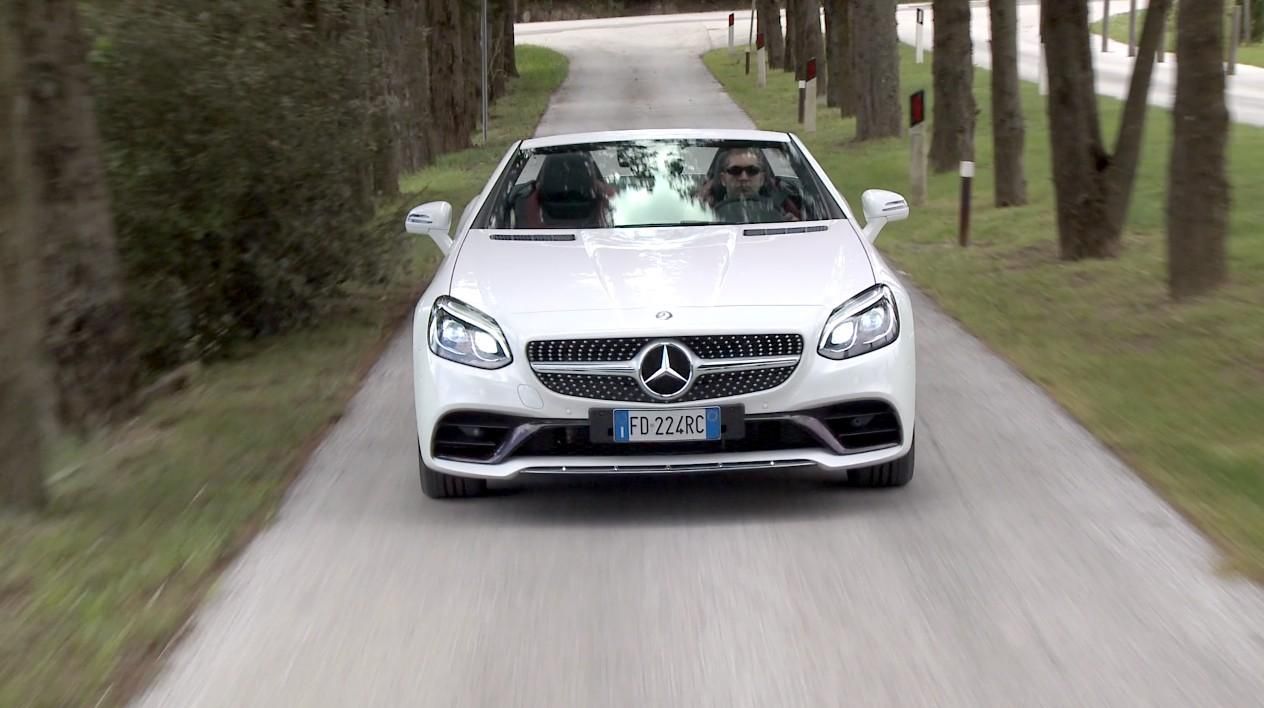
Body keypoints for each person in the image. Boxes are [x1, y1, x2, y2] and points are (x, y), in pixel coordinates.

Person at [698, 146, 802, 222]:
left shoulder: (782, 208)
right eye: (735, 171)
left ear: (762, 179)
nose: (744, 178)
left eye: (752, 171)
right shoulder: (701, 210)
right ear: (723, 179)